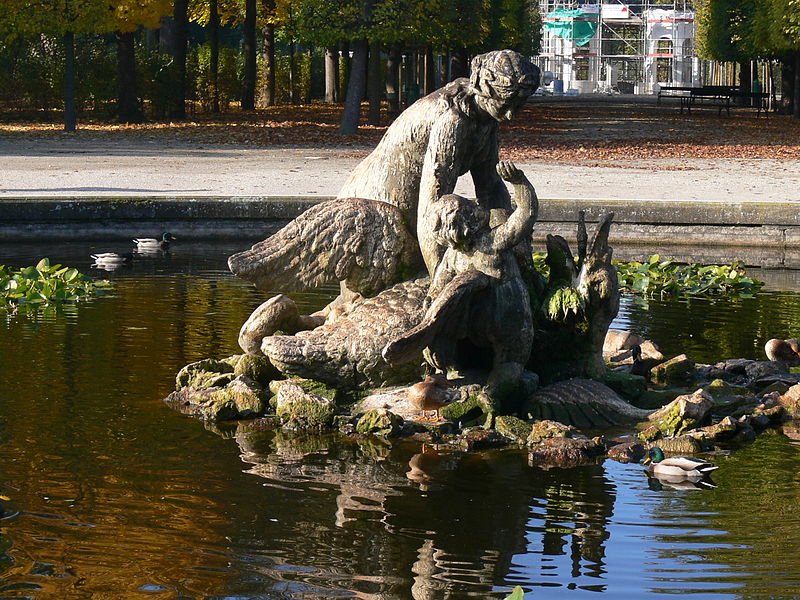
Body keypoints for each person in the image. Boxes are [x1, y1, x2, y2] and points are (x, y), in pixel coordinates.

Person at [336, 50, 540, 275]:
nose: (510, 115)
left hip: (407, 210)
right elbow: (432, 210)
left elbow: (490, 187)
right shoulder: (453, 121)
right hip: (382, 207)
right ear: (484, 89)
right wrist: (439, 281)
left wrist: (515, 251)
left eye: (518, 106)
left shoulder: (484, 114)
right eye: (504, 104)